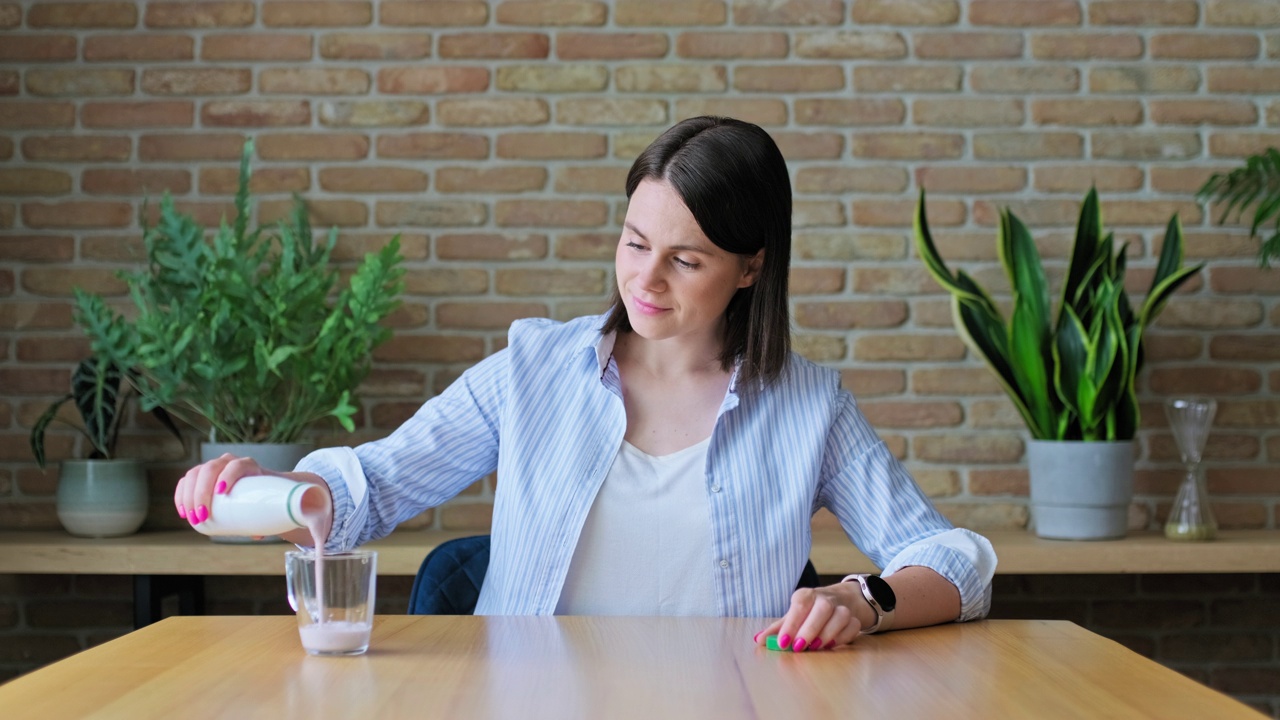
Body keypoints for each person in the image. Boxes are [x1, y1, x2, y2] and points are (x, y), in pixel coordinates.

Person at [175, 115, 997, 652]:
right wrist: (268, 491)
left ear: (751, 268)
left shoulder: (809, 406)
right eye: (636, 242)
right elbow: (368, 487)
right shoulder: (534, 371)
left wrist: (862, 598)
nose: (647, 279)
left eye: (687, 259)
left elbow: (955, 559)